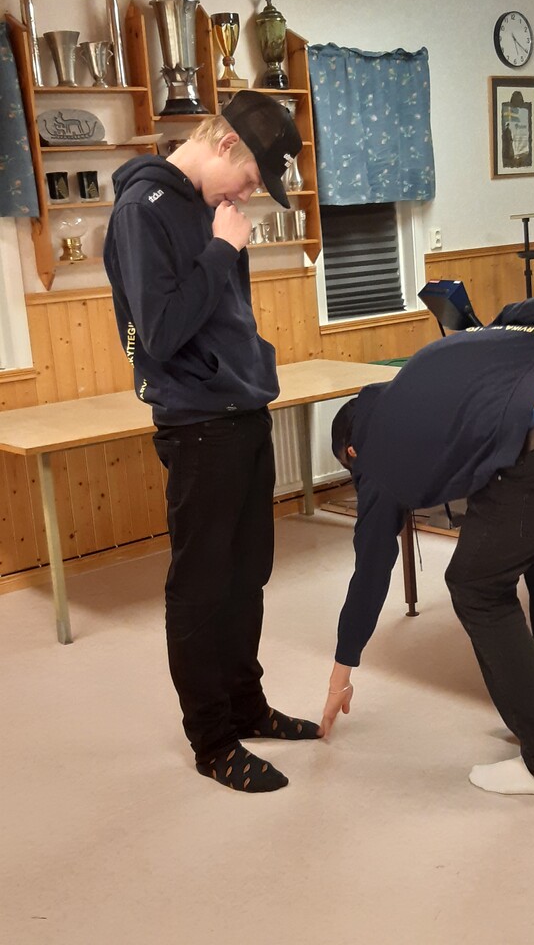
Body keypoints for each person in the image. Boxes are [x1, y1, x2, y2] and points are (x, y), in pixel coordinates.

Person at [320, 282, 534, 798]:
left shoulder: (377, 444)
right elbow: (514, 316)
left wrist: (341, 670)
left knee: (476, 585)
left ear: (351, 451)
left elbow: (371, 569)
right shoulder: (432, 372)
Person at [103, 91, 320, 794]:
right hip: (197, 423)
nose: (250, 193)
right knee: (202, 587)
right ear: (226, 144)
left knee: (246, 575)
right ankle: (212, 739)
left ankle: (247, 706)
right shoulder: (143, 210)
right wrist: (224, 249)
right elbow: (162, 332)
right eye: (252, 177)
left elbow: (224, 315)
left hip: (243, 409)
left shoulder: (209, 207)